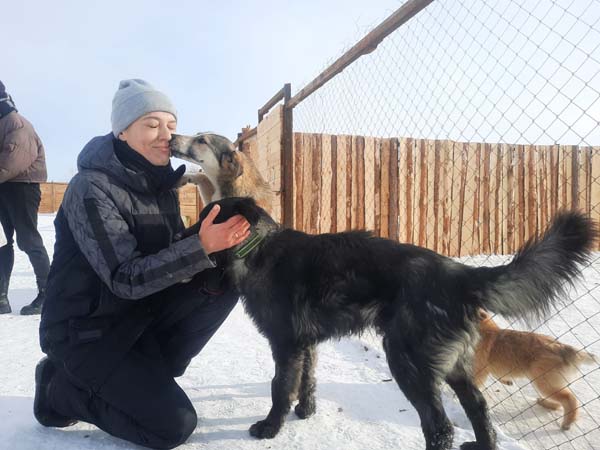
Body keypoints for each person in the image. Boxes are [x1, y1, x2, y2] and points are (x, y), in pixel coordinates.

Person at [36, 79, 251, 449]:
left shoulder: (162, 186)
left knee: (224, 281)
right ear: (121, 131)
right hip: (85, 332)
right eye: (150, 124)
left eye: (170, 125)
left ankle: (148, 374)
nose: (164, 135)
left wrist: (216, 242)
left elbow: (170, 255)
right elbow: (124, 277)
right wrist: (199, 246)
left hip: (135, 318)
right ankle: (58, 389)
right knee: (172, 426)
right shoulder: (91, 188)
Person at [0, 80, 51, 315]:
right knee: (1, 242)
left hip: (22, 187)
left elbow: (13, 162)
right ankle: (1, 297)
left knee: (28, 239)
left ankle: (48, 293)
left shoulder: (16, 124)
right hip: (4, 188)